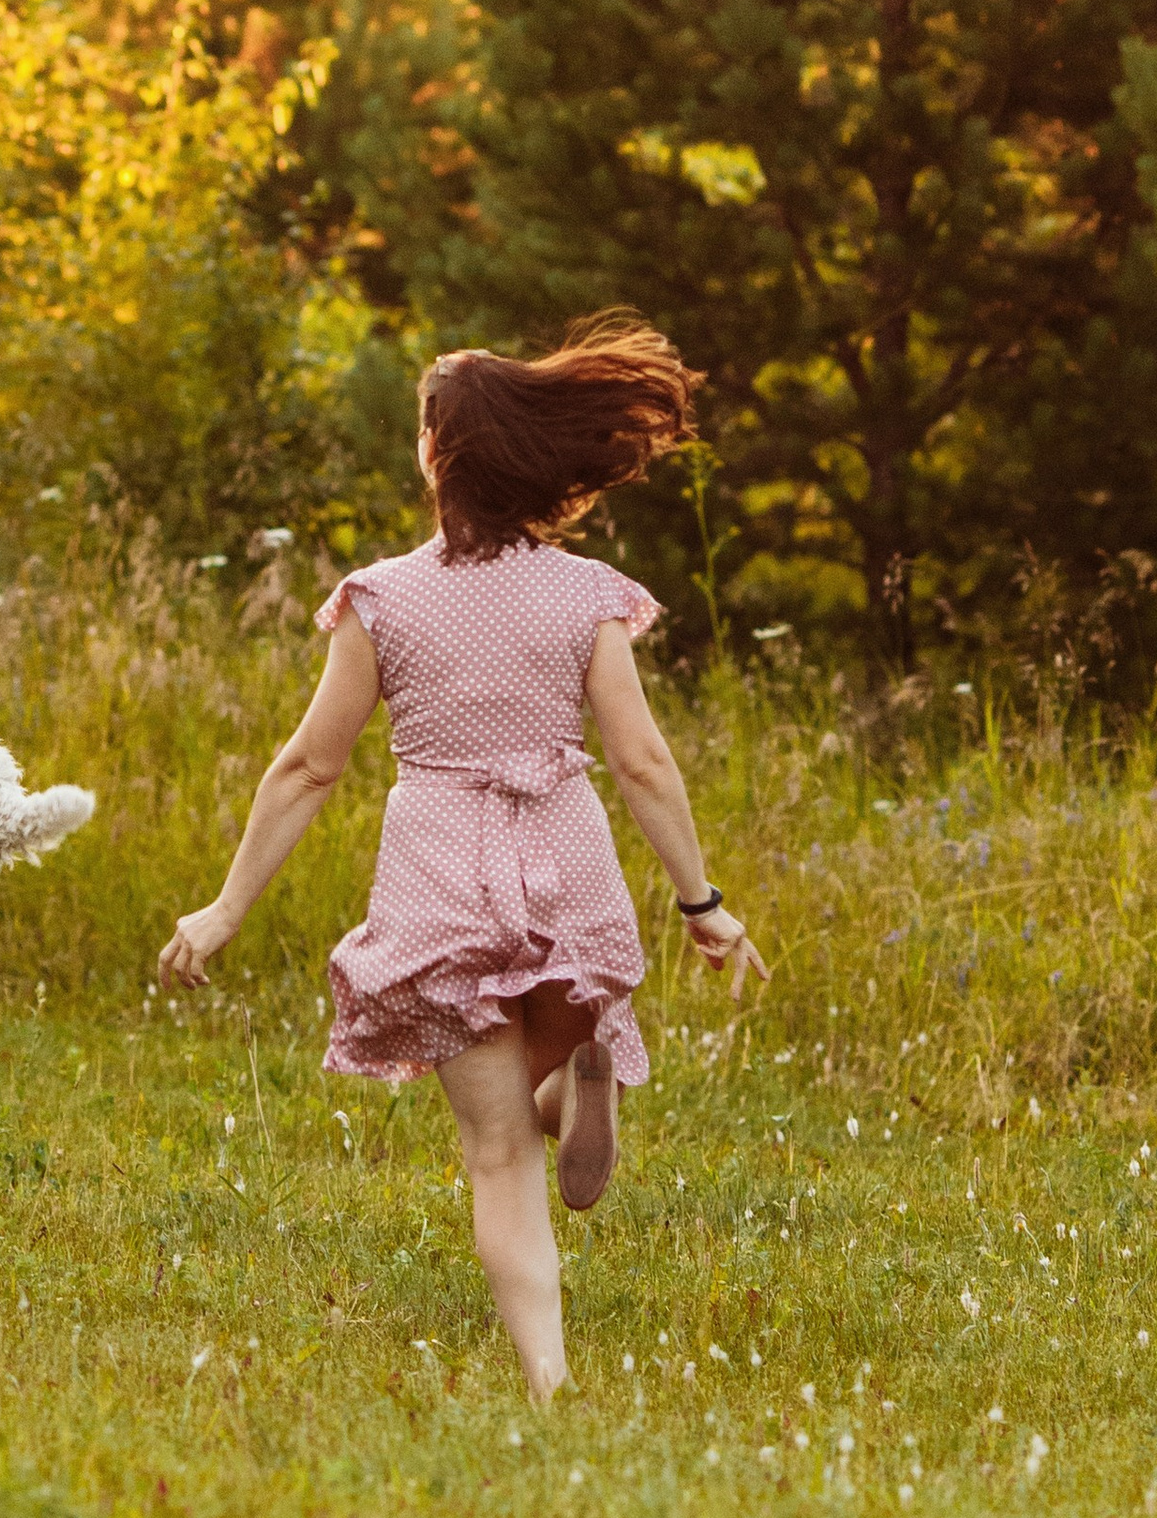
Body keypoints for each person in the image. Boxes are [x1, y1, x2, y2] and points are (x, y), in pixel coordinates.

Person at [158, 318, 765, 1402]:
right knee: (543, 1055)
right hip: (567, 862)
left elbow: (308, 767)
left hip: (442, 871)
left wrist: (224, 909)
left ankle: (548, 1383)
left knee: (495, 1152)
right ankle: (582, 1085)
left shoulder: (382, 599)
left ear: (436, 452)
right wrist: (699, 901)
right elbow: (641, 760)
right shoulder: (588, 596)